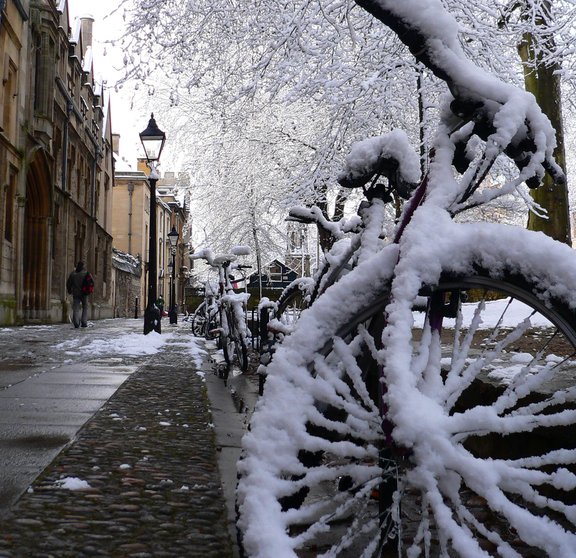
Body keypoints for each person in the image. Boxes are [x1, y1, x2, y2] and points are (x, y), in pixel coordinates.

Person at [66, 261, 91, 328]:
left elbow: (68, 283)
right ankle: (84, 322)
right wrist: (89, 290)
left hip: (76, 293)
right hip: (84, 293)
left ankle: (76, 323)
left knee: (76, 308)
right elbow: (91, 282)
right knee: (85, 307)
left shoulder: (73, 274)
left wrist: (69, 290)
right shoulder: (86, 273)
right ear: (83, 266)